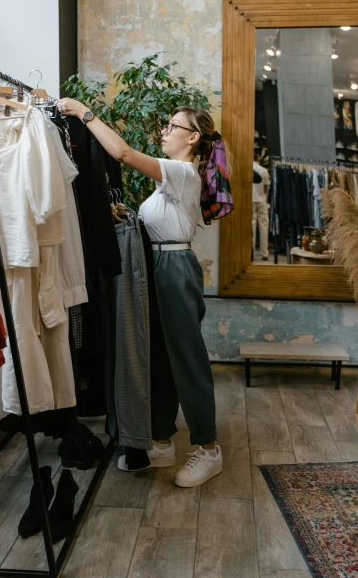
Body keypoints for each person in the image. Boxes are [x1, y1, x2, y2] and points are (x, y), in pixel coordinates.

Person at [58, 98, 231, 488]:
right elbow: (160, 221)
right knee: (159, 358)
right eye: (166, 125)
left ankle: (209, 448)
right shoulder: (168, 180)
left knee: (186, 358)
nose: (164, 132)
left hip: (173, 269)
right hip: (156, 267)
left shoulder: (184, 171)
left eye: (173, 126)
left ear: (194, 137)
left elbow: (120, 152)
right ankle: (161, 440)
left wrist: (84, 113)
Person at [252, 151, 270, 260]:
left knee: (251, 227)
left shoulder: (248, 169)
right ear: (258, 158)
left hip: (250, 200)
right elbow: (265, 187)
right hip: (262, 199)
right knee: (264, 226)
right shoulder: (264, 170)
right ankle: (265, 253)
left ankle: (252, 253)